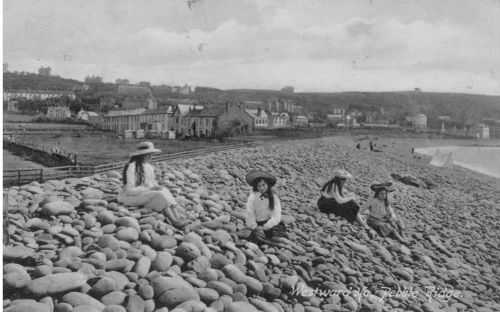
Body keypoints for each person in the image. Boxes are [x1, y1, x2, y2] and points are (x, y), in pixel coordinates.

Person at [117, 141, 188, 228]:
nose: (151, 157)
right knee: (159, 194)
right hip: (133, 195)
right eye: (149, 154)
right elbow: (130, 190)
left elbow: (152, 183)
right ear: (142, 155)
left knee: (163, 190)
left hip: (146, 193)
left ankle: (177, 218)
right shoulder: (132, 167)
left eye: (151, 154)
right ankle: (174, 221)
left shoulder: (147, 166)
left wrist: (157, 186)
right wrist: (150, 189)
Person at [244, 170, 286, 239]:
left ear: (268, 184)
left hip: (270, 224)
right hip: (257, 224)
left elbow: (276, 216)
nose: (261, 188)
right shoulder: (252, 197)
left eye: (263, 185)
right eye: (259, 186)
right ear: (256, 187)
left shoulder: (274, 197)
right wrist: (254, 226)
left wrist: (266, 226)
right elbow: (250, 214)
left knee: (275, 232)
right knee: (252, 235)